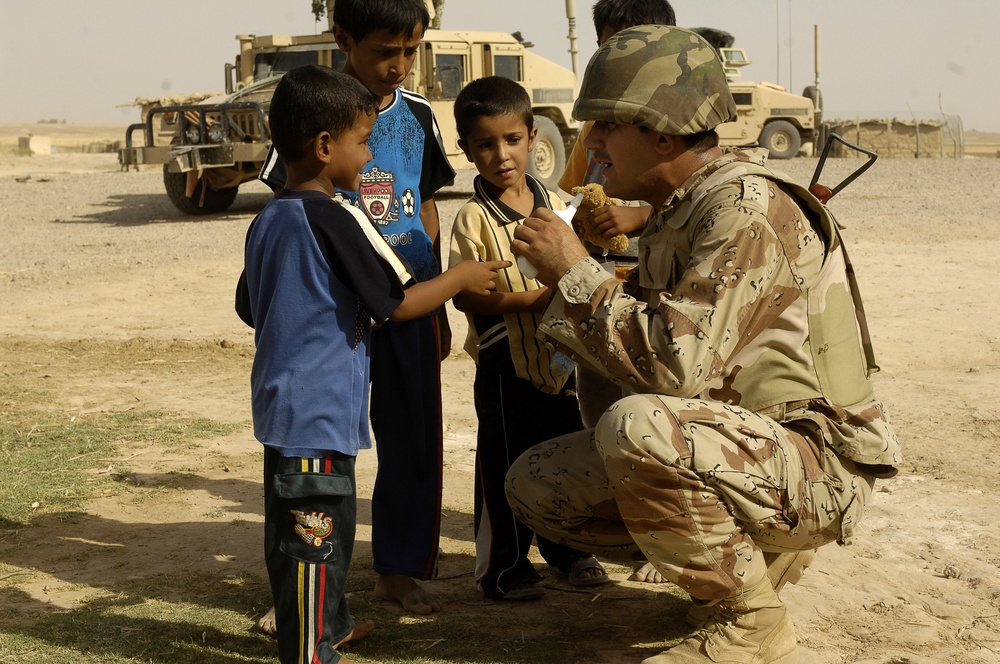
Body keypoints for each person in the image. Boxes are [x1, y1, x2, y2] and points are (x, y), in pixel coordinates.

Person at [506, 26, 901, 663]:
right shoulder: (676, 209)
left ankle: (751, 621)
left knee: (637, 427)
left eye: (607, 124)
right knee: (537, 483)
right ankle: (745, 561)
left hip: (818, 464)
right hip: (751, 447)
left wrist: (576, 272)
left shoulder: (741, 208)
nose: (594, 143)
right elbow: (639, 363)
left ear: (663, 133)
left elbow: (674, 368)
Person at [235, 65, 504, 664]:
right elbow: (397, 302)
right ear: (325, 147)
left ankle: (331, 623)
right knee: (314, 536)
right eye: (362, 142)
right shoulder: (338, 216)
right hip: (318, 410)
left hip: (284, 405)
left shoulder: (268, 219)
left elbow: (248, 305)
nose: (367, 155)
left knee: (305, 530)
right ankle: (311, 652)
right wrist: (460, 276)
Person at [258, 0, 455, 617]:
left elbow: (426, 207)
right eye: (383, 51)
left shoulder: (418, 115)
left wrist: (441, 298)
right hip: (336, 316)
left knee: (412, 437)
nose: (398, 66)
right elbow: (285, 209)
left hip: (412, 296)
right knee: (318, 448)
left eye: (410, 52)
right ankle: (306, 595)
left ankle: (398, 570)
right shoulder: (309, 107)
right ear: (343, 37)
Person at [448, 76, 610, 601]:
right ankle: (503, 568)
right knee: (504, 462)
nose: (501, 155)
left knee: (565, 455)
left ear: (533, 136)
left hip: (563, 362)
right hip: (505, 365)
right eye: (485, 145)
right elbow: (468, 297)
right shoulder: (473, 217)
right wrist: (534, 300)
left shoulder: (560, 206)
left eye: (512, 140)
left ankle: (570, 553)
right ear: (467, 150)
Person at [562, 0, 677, 586]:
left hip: (657, 298)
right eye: (608, 45)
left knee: (657, 418)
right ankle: (634, 531)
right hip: (603, 293)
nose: (616, 58)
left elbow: (686, 196)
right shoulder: (594, 131)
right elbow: (576, 193)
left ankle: (668, 541)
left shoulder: (674, 118)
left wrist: (636, 214)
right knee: (600, 415)